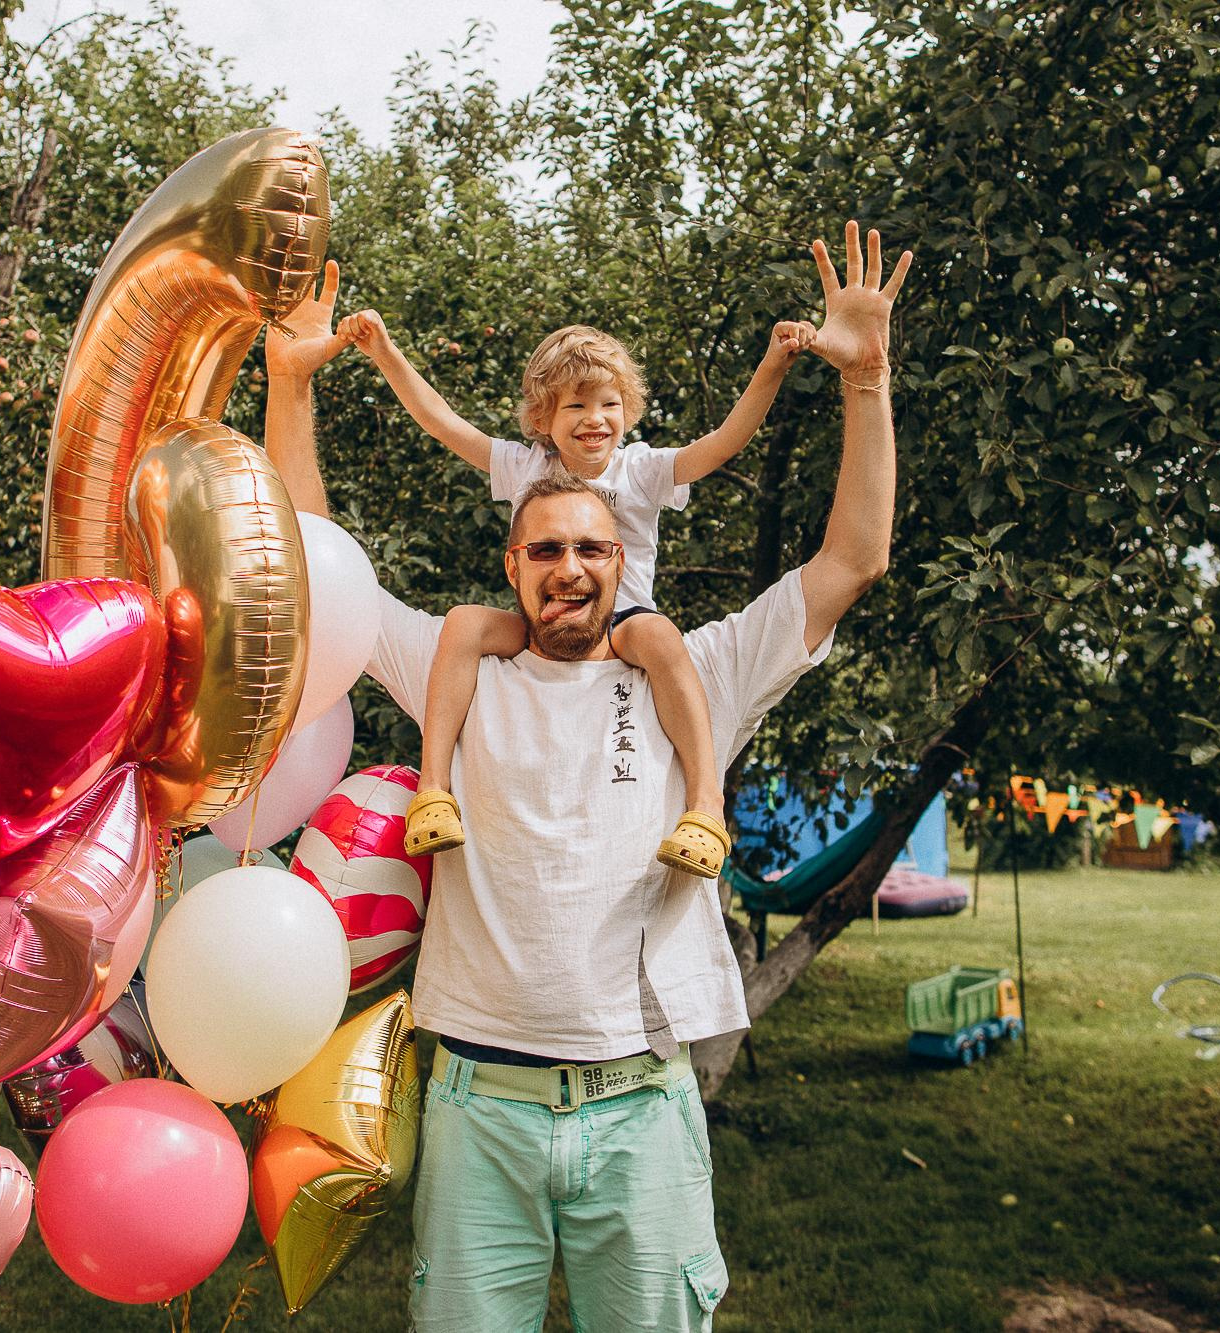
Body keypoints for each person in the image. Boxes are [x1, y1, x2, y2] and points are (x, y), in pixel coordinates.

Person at [263, 222, 909, 1332]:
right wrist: (287, 389)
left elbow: (849, 560)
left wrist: (866, 384)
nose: (570, 567)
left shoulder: (693, 672)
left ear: (627, 561)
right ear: (510, 564)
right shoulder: (453, 671)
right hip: (476, 1111)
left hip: (643, 1108)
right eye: (546, 549)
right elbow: (315, 564)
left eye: (594, 549)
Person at [335, 309, 815, 878]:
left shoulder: (641, 471)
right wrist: (386, 353)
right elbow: (443, 424)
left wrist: (771, 367)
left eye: (609, 404)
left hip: (622, 619)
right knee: (463, 622)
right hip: (543, 618)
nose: (595, 419)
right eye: (577, 406)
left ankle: (706, 805)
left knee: (660, 636)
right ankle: (435, 790)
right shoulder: (527, 465)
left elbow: (725, 442)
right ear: (544, 417)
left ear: (627, 410)